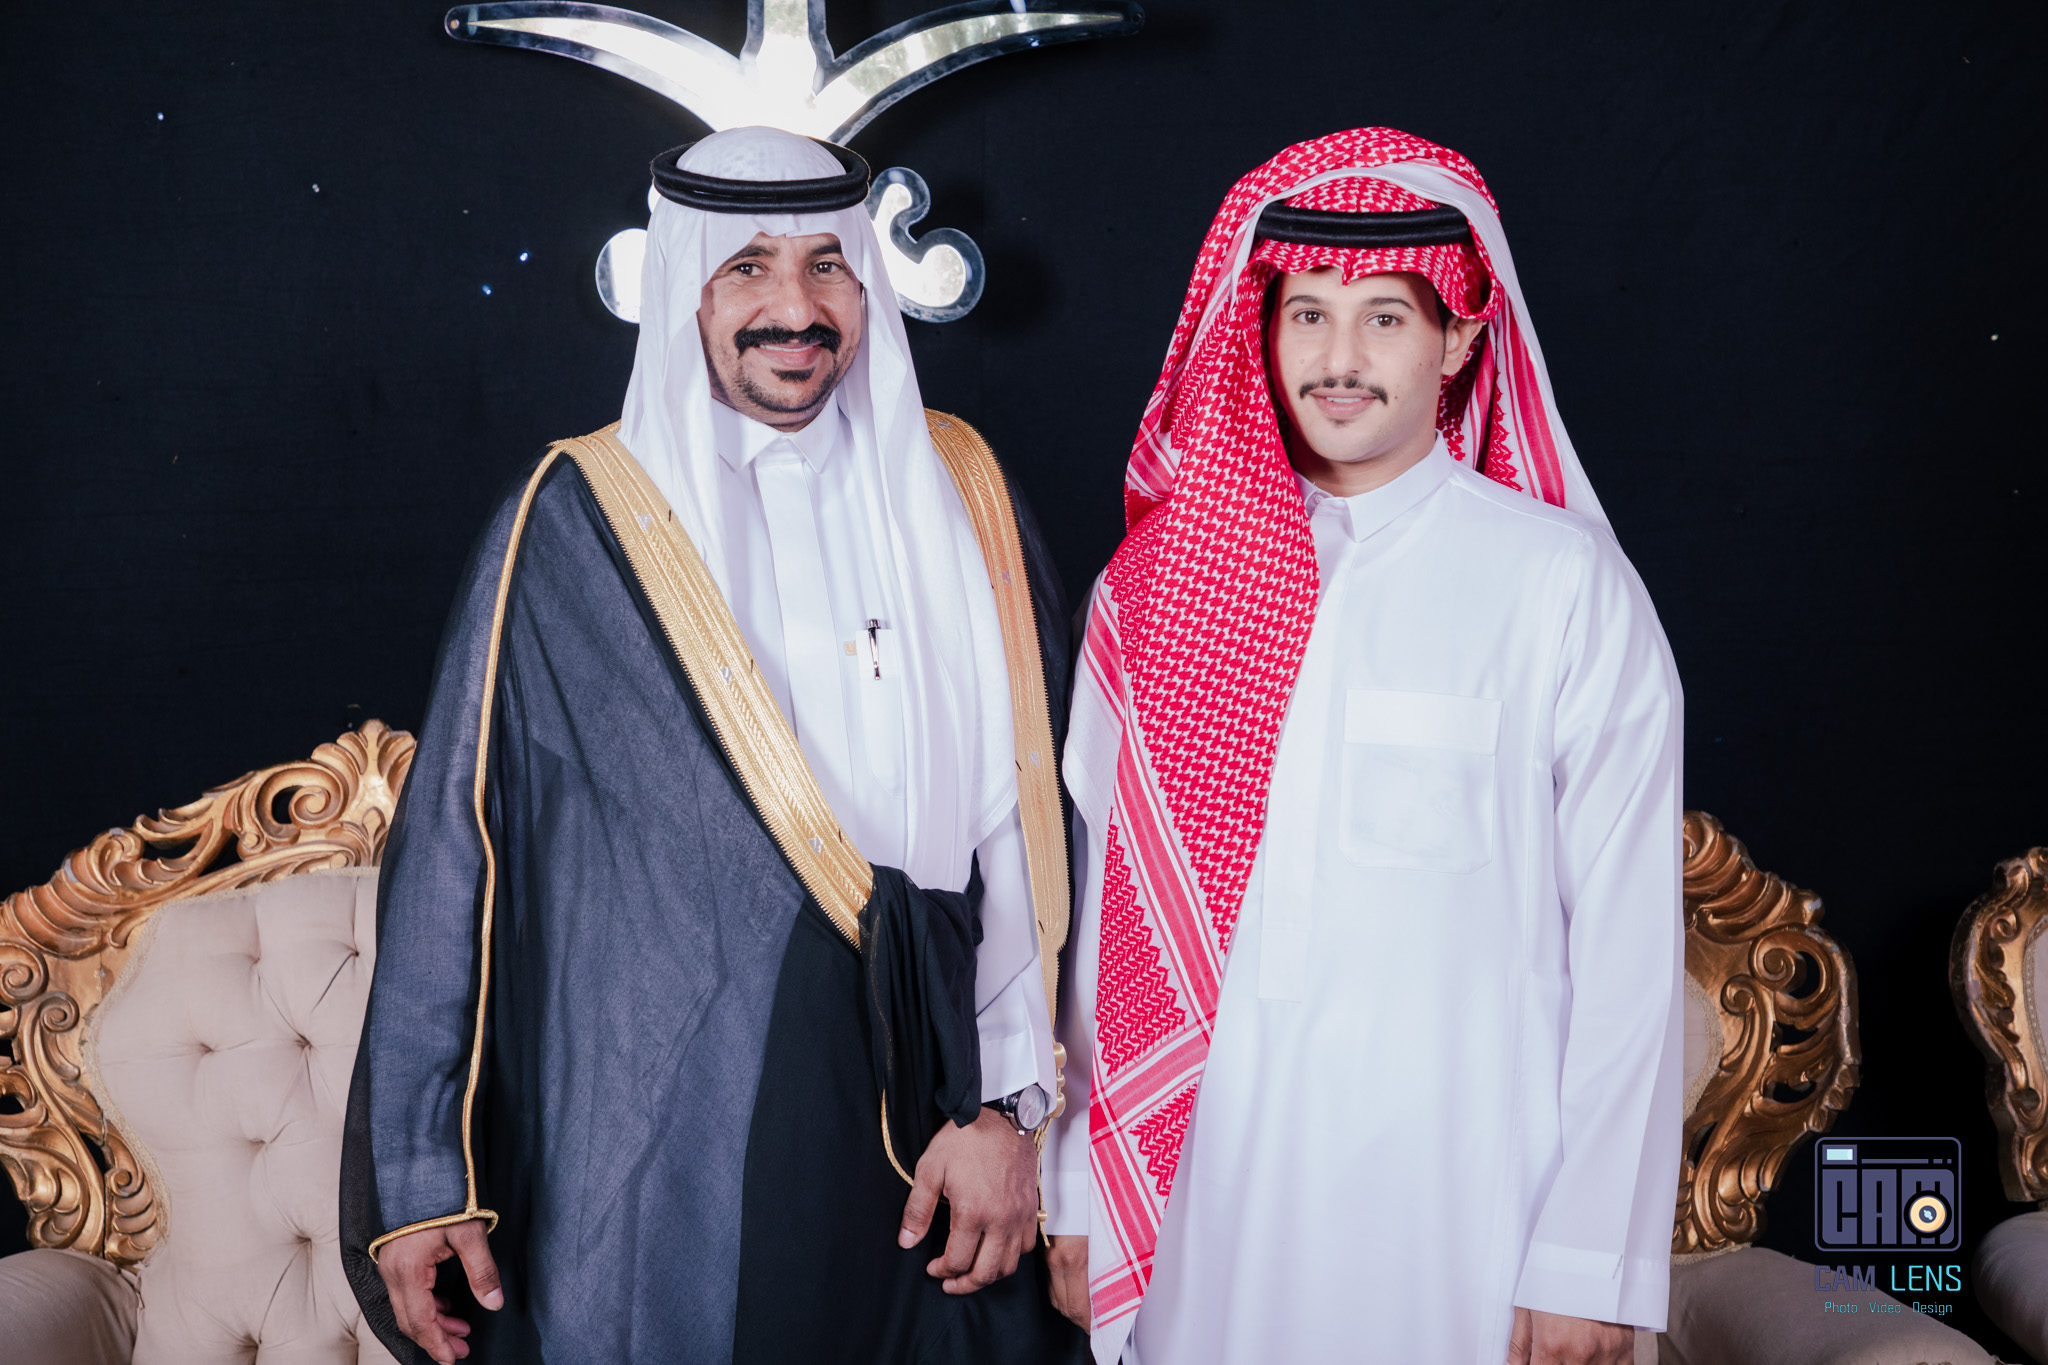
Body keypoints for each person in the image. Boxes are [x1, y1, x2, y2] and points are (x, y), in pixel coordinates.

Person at [341, 126, 1083, 1365]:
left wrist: (1014, 1113)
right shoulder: (574, 521)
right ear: (687, 286)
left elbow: (1038, 837)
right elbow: (459, 853)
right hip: (689, 1128)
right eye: (747, 268)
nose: (794, 308)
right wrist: (423, 1172)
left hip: (952, 1119)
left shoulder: (961, 489)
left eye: (826, 266)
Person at [1041, 128, 1685, 1365]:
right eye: (1306, 315)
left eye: (1384, 318)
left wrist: (1589, 1259)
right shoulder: (1156, 588)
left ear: (1459, 339)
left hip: (1465, 1205)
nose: (1337, 360)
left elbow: (1626, 956)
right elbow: (1106, 915)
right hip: (1204, 1194)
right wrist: (1078, 1186)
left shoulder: (1557, 585)